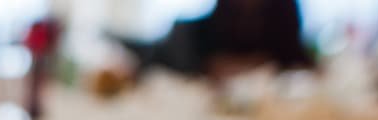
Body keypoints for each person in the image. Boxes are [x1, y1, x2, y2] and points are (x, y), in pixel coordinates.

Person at [118, 0, 314, 80]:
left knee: (156, 55)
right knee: (158, 50)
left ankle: (138, 52)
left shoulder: (283, 7)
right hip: (189, 48)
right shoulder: (227, 7)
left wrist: (249, 65)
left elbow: (294, 57)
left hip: (194, 58)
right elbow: (211, 58)